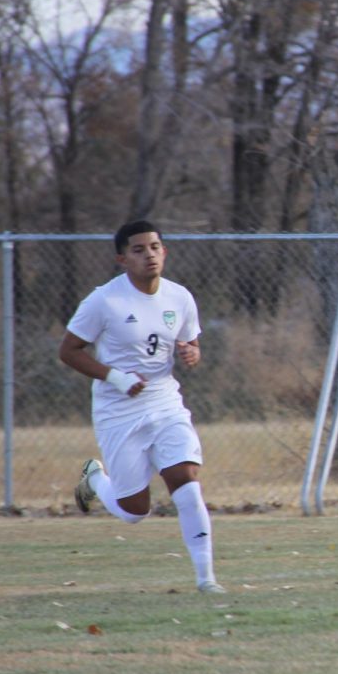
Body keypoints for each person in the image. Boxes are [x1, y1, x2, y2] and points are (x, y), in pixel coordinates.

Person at [58, 220, 224, 593]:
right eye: (138, 249)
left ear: (165, 252)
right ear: (122, 259)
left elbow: (190, 345)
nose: (149, 255)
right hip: (118, 411)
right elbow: (68, 351)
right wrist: (116, 377)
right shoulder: (104, 300)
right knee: (134, 512)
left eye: (154, 247)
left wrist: (191, 353)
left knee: (186, 480)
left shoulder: (180, 297)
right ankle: (95, 479)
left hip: (164, 401)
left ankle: (206, 579)